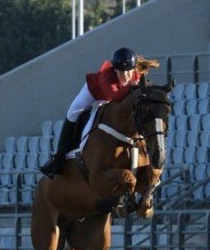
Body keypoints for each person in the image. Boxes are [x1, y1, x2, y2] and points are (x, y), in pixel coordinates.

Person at [39, 47, 158, 179]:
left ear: (133, 69)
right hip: (94, 93)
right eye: (121, 72)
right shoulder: (106, 76)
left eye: (128, 71)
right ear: (115, 70)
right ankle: (58, 158)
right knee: (72, 113)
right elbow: (115, 95)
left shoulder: (136, 75)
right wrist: (136, 88)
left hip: (114, 98)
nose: (125, 76)